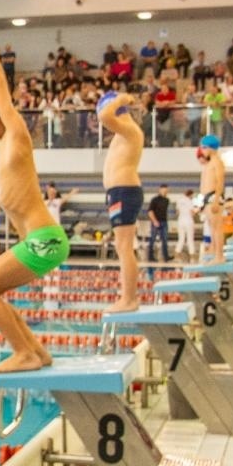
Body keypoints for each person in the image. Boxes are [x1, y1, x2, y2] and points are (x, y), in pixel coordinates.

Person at [0, 15, 69, 373]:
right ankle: (36, 351)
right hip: (40, 241)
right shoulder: (4, 149)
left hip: (45, 240)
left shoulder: (15, 136)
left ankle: (24, 352)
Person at [99, 92, 144, 311]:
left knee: (124, 246)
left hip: (125, 191)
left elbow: (105, 117)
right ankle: (127, 295)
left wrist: (123, 99)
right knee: (122, 246)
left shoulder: (131, 130)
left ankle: (130, 299)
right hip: (120, 192)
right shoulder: (123, 132)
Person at [196, 133, 227, 260]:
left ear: (210, 148)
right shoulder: (209, 163)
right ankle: (214, 251)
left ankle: (220, 256)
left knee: (217, 227)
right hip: (207, 198)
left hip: (214, 197)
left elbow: (220, 182)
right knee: (212, 227)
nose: (202, 151)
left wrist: (215, 200)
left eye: (203, 148)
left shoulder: (217, 162)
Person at [146, 184, 172, 264]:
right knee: (152, 240)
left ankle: (166, 256)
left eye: (166, 190)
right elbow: (150, 211)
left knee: (164, 240)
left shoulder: (167, 200)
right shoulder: (155, 200)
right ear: (160, 190)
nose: (165, 191)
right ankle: (150, 256)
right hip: (156, 222)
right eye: (164, 190)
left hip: (164, 222)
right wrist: (154, 221)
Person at [175, 188, 198, 260]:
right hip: (188, 221)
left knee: (181, 239)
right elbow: (192, 213)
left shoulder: (179, 200)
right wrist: (197, 211)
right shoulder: (190, 201)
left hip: (180, 221)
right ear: (190, 195)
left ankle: (176, 254)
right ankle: (192, 255)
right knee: (190, 239)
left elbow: (177, 213)